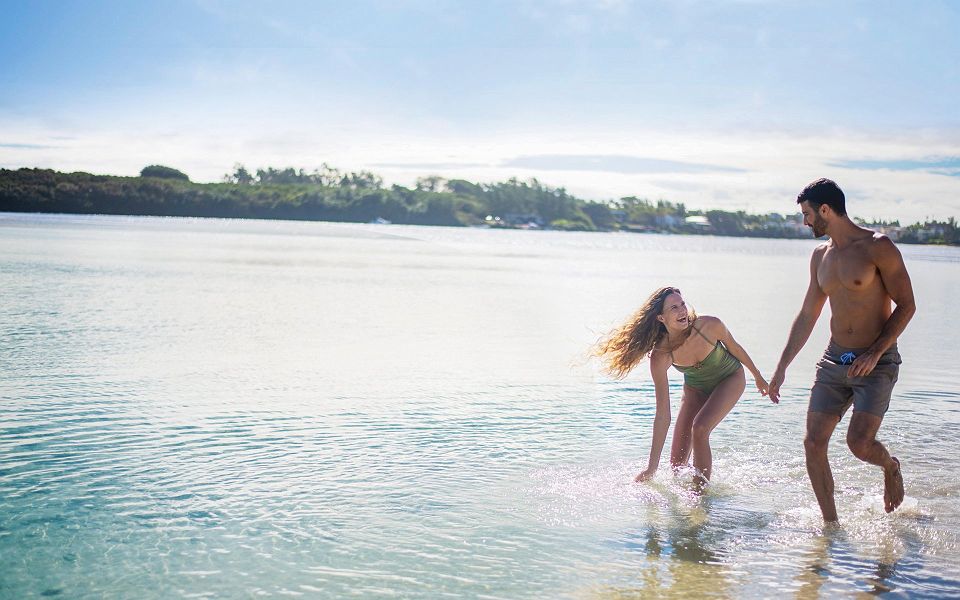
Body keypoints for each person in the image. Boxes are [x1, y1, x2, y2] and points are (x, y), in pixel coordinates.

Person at [768, 178, 916, 523]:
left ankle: (890, 467)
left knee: (859, 444)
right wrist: (782, 366)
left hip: (876, 362)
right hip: (835, 359)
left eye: (807, 215)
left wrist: (876, 352)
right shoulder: (820, 257)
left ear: (825, 210)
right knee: (813, 443)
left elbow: (907, 305)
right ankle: (831, 528)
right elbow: (807, 314)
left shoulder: (877, 247)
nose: (805, 222)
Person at [596, 286, 770, 486]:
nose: (682, 311)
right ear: (661, 318)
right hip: (695, 389)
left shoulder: (709, 326)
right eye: (674, 308)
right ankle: (687, 495)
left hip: (730, 379)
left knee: (700, 427)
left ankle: (699, 496)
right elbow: (662, 415)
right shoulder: (661, 355)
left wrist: (758, 376)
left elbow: (735, 348)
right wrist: (651, 468)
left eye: (682, 304)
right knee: (677, 466)